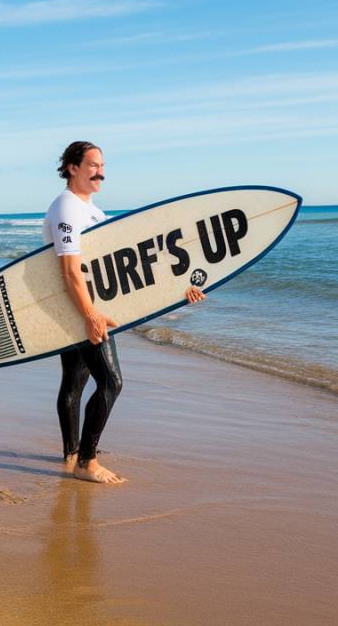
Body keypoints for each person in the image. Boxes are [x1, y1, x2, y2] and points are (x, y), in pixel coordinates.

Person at [43, 141, 205, 484]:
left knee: (76, 380)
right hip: (82, 308)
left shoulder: (94, 213)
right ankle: (87, 461)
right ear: (72, 168)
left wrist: (180, 291)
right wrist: (90, 316)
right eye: (93, 165)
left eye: (102, 165)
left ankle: (72, 454)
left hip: (79, 307)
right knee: (111, 382)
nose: (101, 171)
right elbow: (70, 271)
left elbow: (132, 272)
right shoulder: (67, 209)